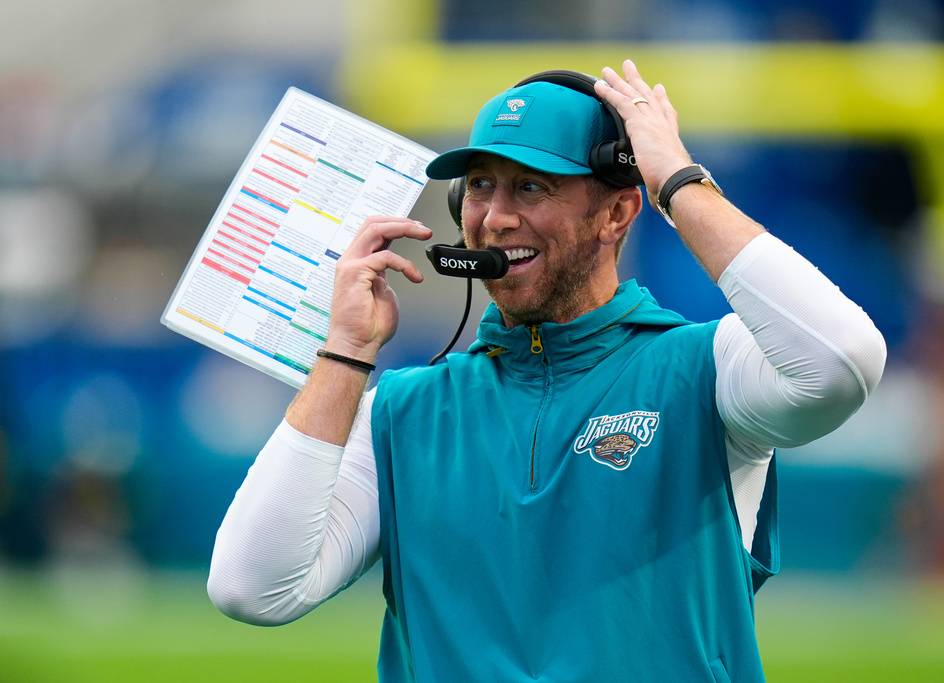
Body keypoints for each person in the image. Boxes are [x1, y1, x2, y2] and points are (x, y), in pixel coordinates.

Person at [207, 59, 887, 681]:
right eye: (479, 187)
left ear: (619, 211)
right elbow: (253, 584)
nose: (496, 218)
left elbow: (842, 358)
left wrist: (676, 180)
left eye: (531, 186)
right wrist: (345, 351)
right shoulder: (403, 410)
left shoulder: (704, 368)